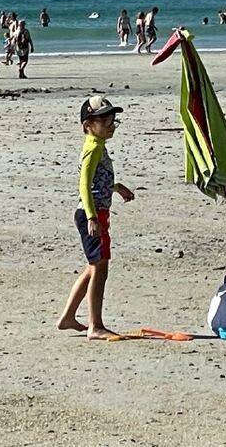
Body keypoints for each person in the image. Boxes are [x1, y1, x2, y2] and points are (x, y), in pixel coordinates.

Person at [57, 97, 136, 340]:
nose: (110, 125)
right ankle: (95, 326)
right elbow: (84, 185)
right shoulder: (92, 147)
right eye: (104, 120)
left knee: (93, 268)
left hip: (97, 212)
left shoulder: (99, 144)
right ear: (88, 125)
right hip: (91, 214)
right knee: (100, 268)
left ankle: (68, 317)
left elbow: (98, 182)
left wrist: (116, 187)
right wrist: (92, 217)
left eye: (113, 120)